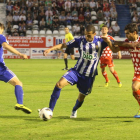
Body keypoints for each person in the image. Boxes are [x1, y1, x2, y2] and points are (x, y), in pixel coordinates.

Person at [42, 24, 113, 119]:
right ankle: (50, 110)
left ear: (95, 34)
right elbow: (63, 45)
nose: (87, 37)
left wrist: (110, 42)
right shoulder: (80, 40)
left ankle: (74, 110)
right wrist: (50, 49)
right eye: (86, 34)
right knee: (59, 84)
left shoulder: (101, 41)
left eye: (89, 35)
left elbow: (116, 45)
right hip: (76, 71)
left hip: (89, 76)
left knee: (81, 97)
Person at [107, 23, 140, 118]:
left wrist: (115, 41)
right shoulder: (127, 41)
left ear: (134, 33)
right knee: (135, 92)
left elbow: (135, 44)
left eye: (128, 33)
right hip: (137, 71)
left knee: (135, 87)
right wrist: (109, 42)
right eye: (125, 33)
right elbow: (114, 50)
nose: (126, 35)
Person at [0, 23, 32, 114]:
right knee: (17, 83)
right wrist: (20, 54)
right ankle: (19, 103)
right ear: (1, 28)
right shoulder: (1, 36)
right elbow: (6, 46)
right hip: (0, 69)